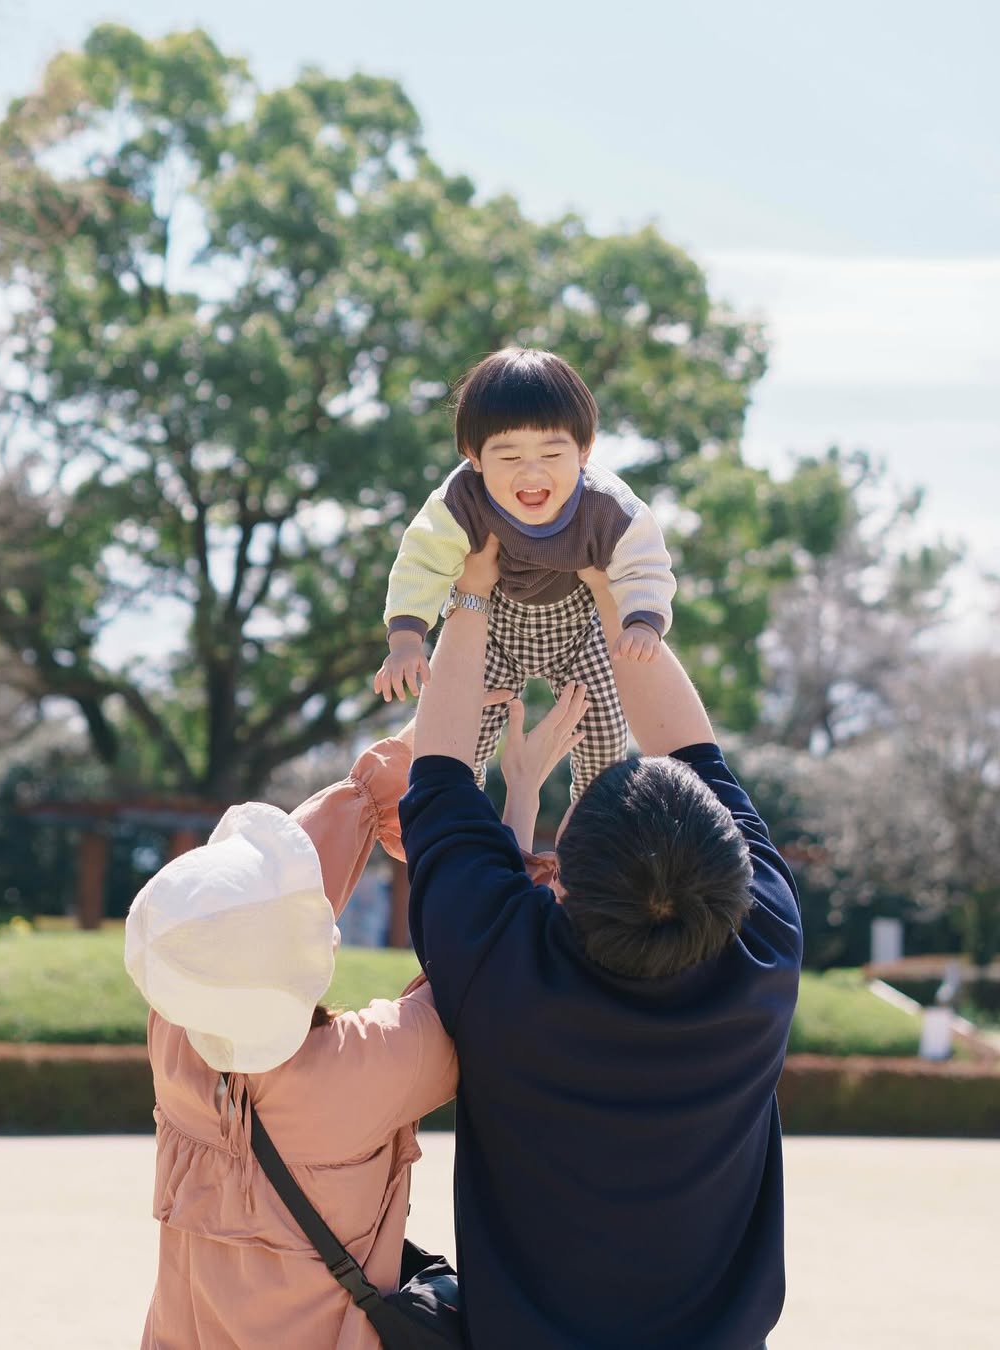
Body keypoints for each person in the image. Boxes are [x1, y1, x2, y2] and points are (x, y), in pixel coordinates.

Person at [400, 539, 803, 1350]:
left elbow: (439, 771)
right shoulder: (764, 948)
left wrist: (475, 589)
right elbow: (440, 779)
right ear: (731, 865)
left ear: (565, 879)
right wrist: (607, 570)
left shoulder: (505, 967)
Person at [124, 723, 455, 1350]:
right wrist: (438, 748)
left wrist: (386, 774)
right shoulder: (363, 1067)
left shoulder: (174, 1036)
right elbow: (488, 966)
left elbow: (241, 920)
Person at [375, 346, 676, 798]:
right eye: (510, 457)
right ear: (474, 456)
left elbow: (644, 561)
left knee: (603, 732)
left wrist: (643, 622)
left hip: (579, 632)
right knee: (462, 730)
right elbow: (421, 562)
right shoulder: (460, 500)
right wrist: (405, 640)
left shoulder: (607, 505)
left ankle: (593, 825)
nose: (531, 473)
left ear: (584, 451)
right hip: (492, 629)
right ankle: (462, 814)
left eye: (552, 454)